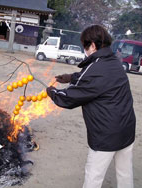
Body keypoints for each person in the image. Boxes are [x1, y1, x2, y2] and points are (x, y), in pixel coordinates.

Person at [46, 25, 136, 188]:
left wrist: (52, 92)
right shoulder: (114, 62)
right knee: (125, 173)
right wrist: (71, 77)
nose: (85, 51)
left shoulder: (95, 68)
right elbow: (94, 81)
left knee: (93, 176)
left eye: (85, 47)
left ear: (93, 45)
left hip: (106, 134)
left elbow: (69, 98)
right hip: (127, 128)